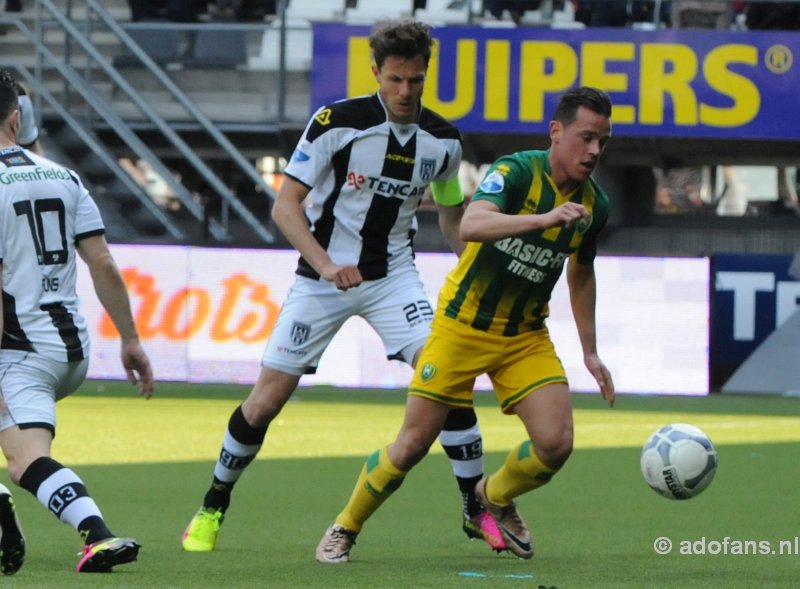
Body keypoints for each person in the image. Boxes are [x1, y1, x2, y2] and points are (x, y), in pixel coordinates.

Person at [181, 19, 502, 554]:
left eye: (416, 81)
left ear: (427, 76)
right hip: (321, 278)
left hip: (393, 277)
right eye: (395, 79)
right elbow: (286, 207)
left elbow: (452, 220)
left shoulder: (443, 142)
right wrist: (327, 265)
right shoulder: (335, 123)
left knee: (444, 377)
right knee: (266, 401)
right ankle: (214, 502)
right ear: (375, 71)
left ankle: (474, 506)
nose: (405, 92)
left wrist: (476, 272)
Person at [316, 86, 617, 563]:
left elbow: (581, 273)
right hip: (461, 325)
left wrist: (590, 350)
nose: (595, 150)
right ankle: (345, 526)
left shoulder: (594, 205)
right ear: (556, 133)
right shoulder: (516, 172)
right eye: (587, 137)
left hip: (524, 337)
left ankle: (492, 496)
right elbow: (472, 224)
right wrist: (541, 219)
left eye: (603, 140)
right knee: (412, 444)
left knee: (557, 443)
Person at [0, 69, 154, 574]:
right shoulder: (64, 176)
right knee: (28, 452)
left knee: (24, 461)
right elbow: (104, 263)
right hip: (70, 351)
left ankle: (90, 532)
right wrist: (130, 339)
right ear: (16, 118)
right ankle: (97, 538)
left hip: (15, 350)